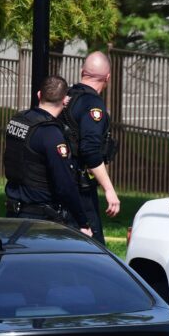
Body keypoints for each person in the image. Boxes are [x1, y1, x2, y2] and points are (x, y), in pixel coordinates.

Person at [4, 74, 93, 236]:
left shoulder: (18, 120)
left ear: (39, 95)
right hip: (39, 220)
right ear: (65, 100)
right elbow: (65, 183)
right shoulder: (50, 134)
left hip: (13, 212)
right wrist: (83, 223)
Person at [65, 51, 120, 245]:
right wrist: (109, 190)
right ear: (108, 78)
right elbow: (90, 150)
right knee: (93, 251)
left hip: (60, 184)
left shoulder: (66, 96)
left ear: (82, 72)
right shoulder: (93, 106)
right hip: (80, 191)